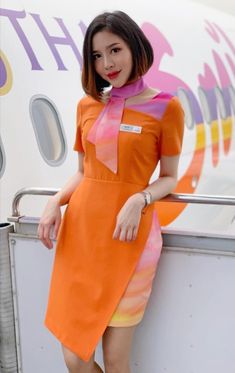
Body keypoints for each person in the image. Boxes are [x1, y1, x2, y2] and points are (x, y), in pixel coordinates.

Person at [38, 10, 184, 373]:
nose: (107, 63)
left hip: (129, 237)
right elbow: (84, 171)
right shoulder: (87, 106)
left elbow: (169, 177)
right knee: (74, 355)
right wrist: (55, 202)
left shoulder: (166, 107)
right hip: (82, 236)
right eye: (97, 56)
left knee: (117, 360)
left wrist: (141, 197)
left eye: (114, 50)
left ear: (135, 46)